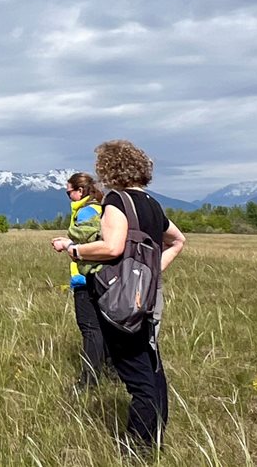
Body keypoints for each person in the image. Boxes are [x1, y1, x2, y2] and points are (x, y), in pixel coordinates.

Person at [52, 140, 185, 453]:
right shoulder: (151, 203)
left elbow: (112, 246)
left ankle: (138, 448)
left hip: (122, 298)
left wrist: (74, 249)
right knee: (151, 365)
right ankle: (155, 439)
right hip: (148, 295)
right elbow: (178, 241)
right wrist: (152, 272)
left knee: (137, 375)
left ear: (108, 169)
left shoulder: (117, 200)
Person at [49, 172, 108, 392]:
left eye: (69, 193)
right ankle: (109, 371)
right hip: (103, 278)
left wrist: (66, 244)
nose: (68, 197)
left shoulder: (86, 212)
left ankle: (89, 381)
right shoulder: (100, 208)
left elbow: (84, 245)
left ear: (80, 191)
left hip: (86, 278)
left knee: (90, 328)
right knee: (104, 327)